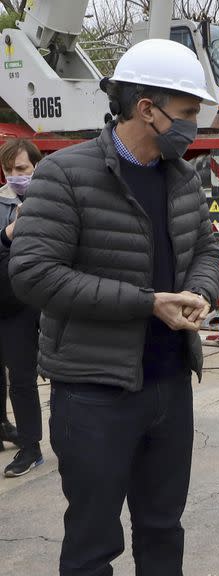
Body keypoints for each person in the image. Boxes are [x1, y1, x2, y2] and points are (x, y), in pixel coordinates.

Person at [9, 39, 219, 575]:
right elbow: (33, 274)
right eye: (188, 113)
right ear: (147, 109)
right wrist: (147, 304)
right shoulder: (65, 174)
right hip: (94, 394)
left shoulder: (183, 177)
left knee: (162, 529)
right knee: (92, 542)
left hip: (170, 384)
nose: (196, 124)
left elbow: (206, 248)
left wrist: (200, 292)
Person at [0, 138, 43, 476]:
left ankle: (33, 444)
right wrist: (8, 233)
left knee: (28, 376)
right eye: (9, 169)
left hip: (36, 301)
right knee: (15, 377)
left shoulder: (51, 198)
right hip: (7, 300)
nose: (15, 176)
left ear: (36, 167)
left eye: (22, 169)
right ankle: (16, 436)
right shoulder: (2, 203)